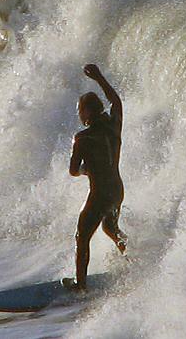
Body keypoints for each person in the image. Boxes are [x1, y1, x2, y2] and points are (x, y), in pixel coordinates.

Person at [68, 64, 127, 290]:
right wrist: (100, 78)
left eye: (80, 110)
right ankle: (135, 257)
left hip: (100, 194)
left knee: (82, 238)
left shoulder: (82, 138)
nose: (79, 114)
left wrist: (86, 170)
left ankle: (80, 286)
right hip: (117, 190)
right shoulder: (114, 125)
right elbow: (117, 102)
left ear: (86, 112)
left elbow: (74, 170)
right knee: (111, 229)